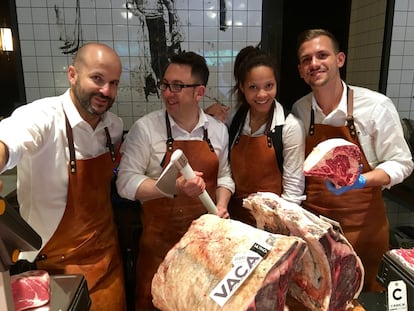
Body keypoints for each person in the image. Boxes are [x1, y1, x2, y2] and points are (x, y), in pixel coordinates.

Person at [0, 43, 126, 310]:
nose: (106, 91)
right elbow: (9, 140)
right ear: (72, 74)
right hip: (54, 268)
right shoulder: (42, 117)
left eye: (113, 83)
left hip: (107, 261)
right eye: (97, 79)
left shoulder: (113, 127)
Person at [292, 29, 414, 292]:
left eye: (322, 55)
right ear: (301, 70)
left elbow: (402, 163)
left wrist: (360, 181)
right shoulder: (300, 110)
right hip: (317, 236)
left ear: (340, 59)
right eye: (306, 59)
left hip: (364, 234)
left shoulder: (376, 106)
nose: (314, 64)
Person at [116, 51, 234, 310]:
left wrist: (222, 204)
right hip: (159, 252)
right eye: (165, 84)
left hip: (206, 254)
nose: (168, 92)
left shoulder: (217, 130)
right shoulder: (145, 129)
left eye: (178, 86)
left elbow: (225, 176)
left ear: (199, 92)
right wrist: (174, 186)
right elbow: (124, 184)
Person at [227, 46, 306, 226]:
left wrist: (277, 229)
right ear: (242, 87)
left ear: (276, 83)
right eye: (253, 87)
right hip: (235, 221)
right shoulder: (235, 120)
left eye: (268, 86)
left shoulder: (290, 126)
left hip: (273, 223)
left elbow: (293, 190)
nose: (262, 94)